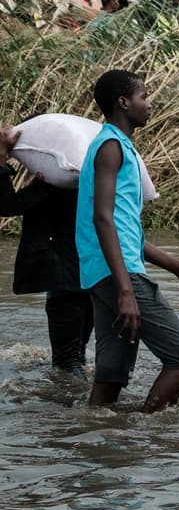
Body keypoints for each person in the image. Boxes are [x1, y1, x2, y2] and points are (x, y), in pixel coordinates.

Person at [75, 70, 179, 411]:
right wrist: (126, 290)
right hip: (117, 275)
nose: (149, 104)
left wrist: (177, 266)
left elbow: (125, 232)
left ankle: (104, 445)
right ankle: (151, 437)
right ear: (123, 102)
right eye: (143, 97)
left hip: (102, 273)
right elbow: (102, 219)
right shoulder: (110, 147)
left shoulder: (118, 146)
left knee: (110, 374)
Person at [0, 126, 93, 377]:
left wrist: (1, 155)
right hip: (91, 281)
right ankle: (89, 412)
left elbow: (6, 205)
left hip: (64, 285)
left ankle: (71, 413)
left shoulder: (51, 187)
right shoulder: (89, 183)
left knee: (66, 365)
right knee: (78, 357)